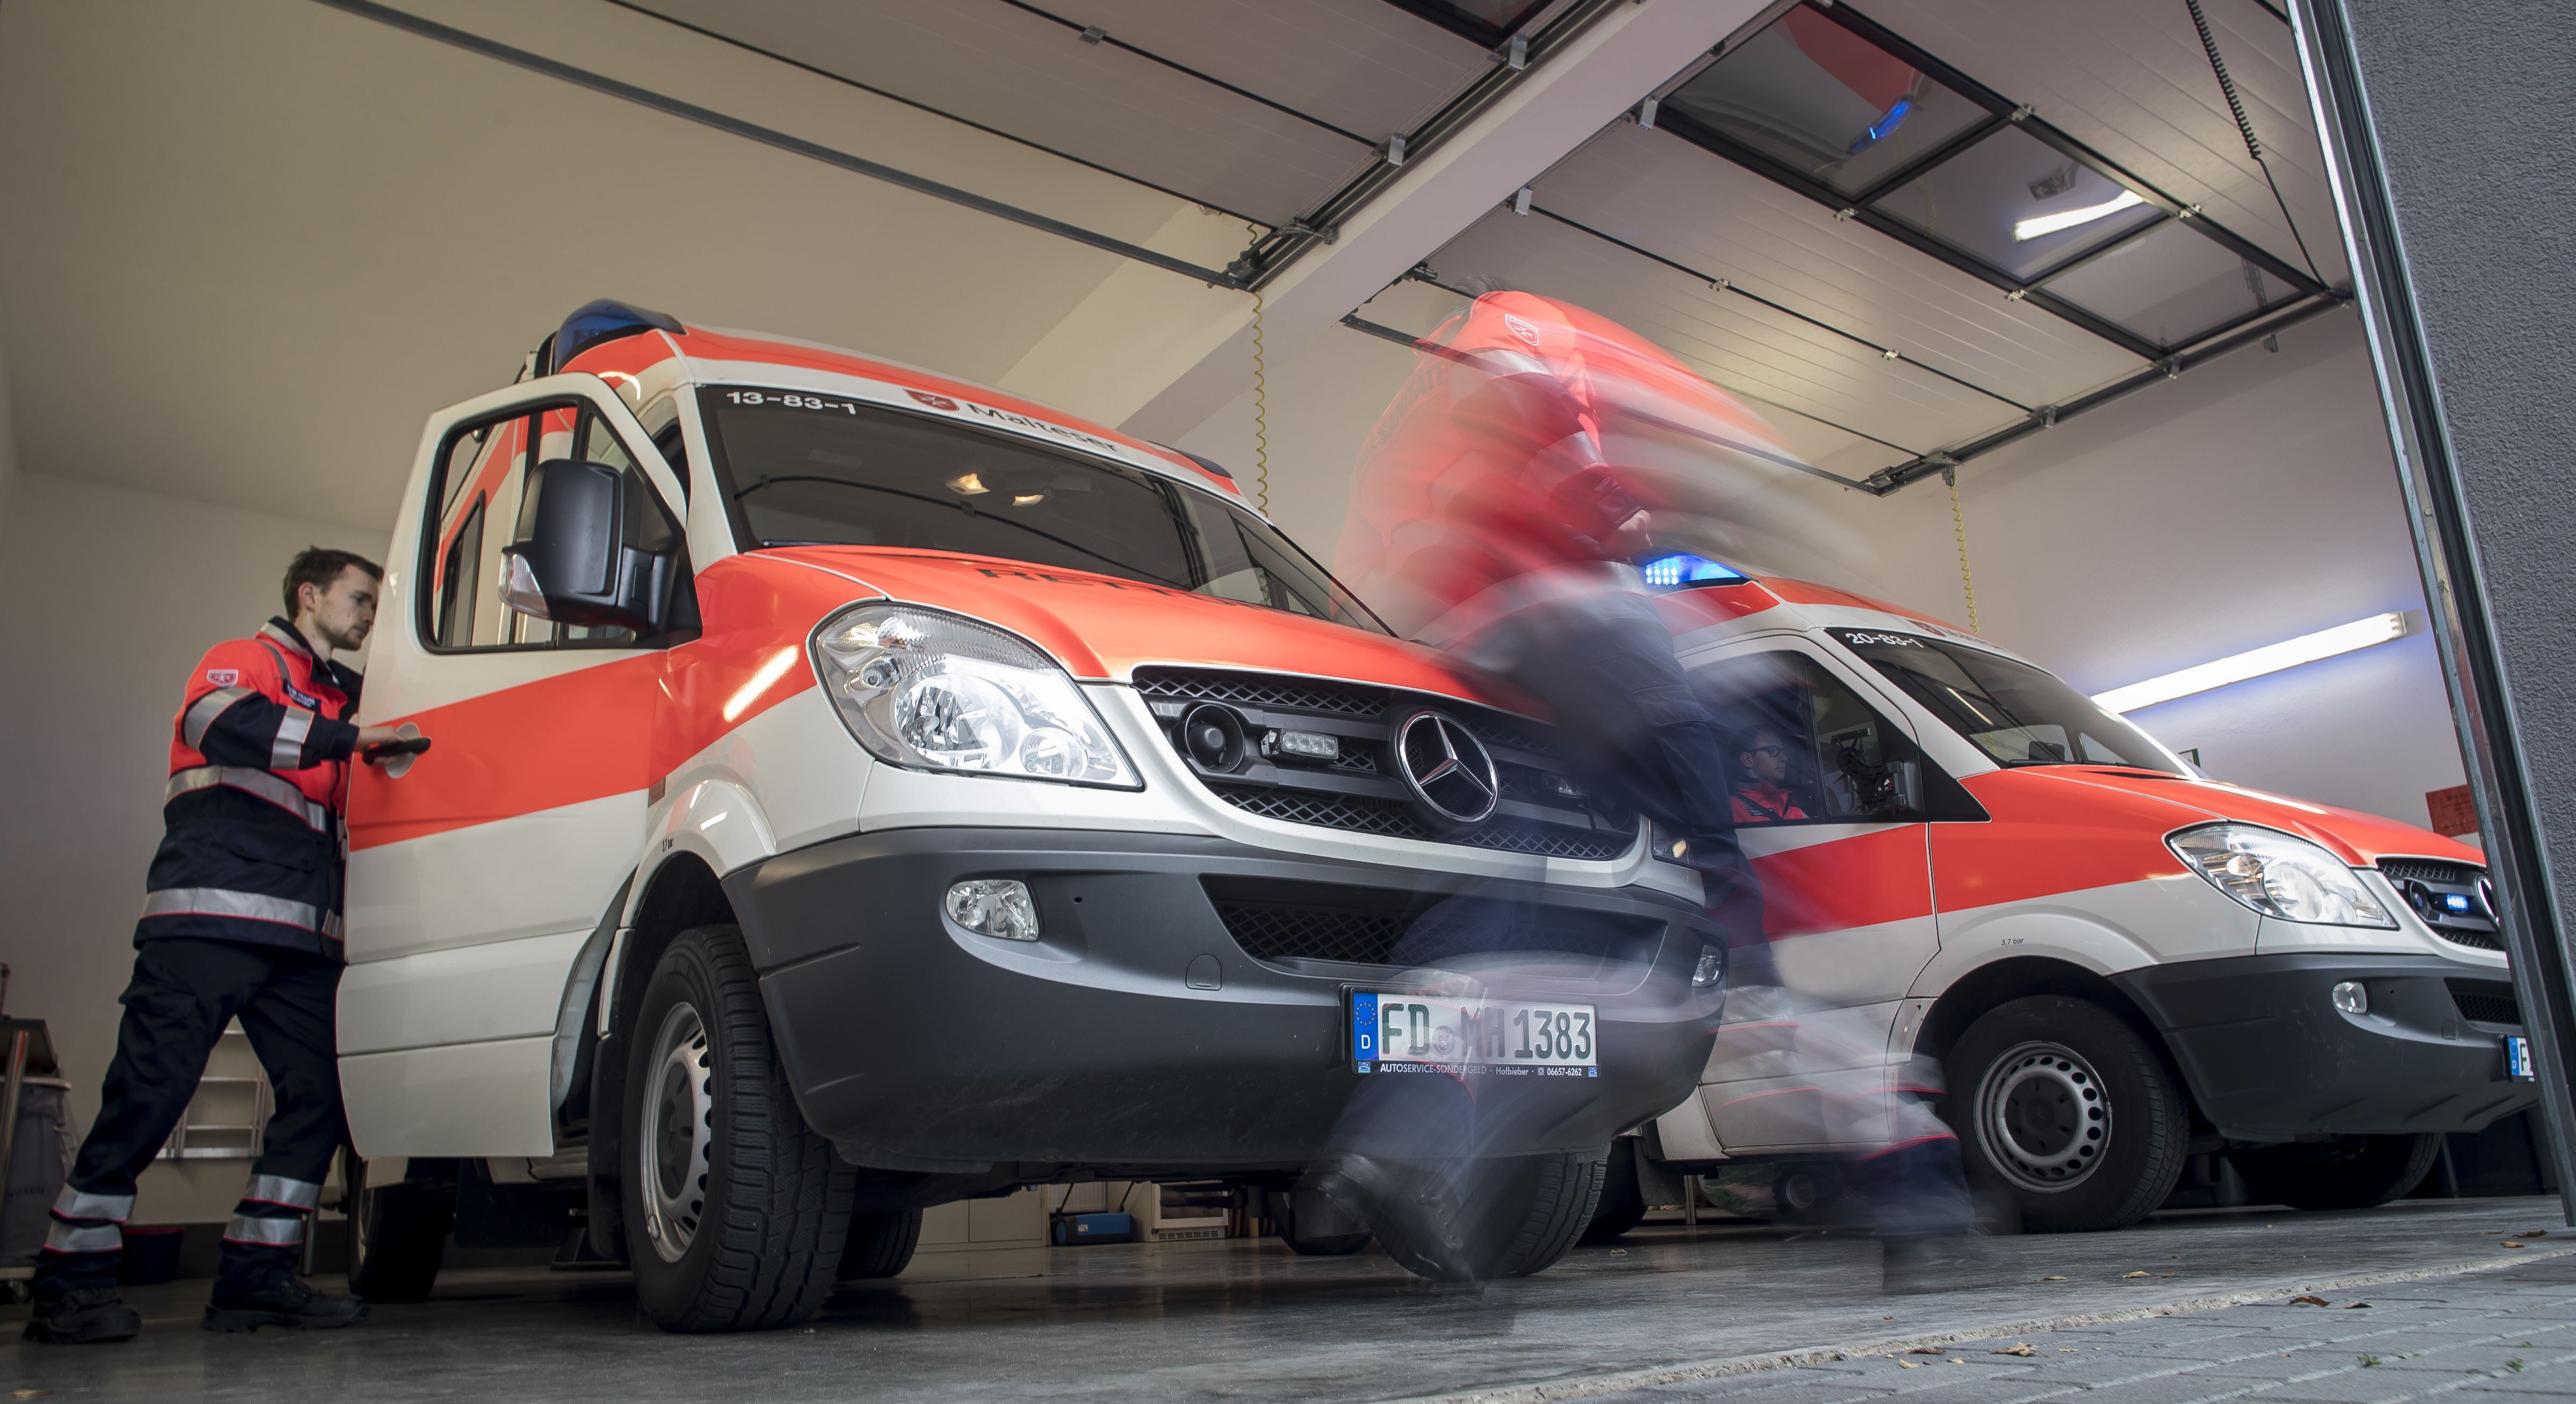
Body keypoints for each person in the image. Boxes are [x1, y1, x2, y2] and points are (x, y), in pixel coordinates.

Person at [26, 548, 426, 1344]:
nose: (369, 615)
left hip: (301, 943)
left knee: (321, 1101)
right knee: (149, 1093)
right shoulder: (248, 660)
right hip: (209, 922)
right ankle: (68, 1283)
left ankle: (256, 1278)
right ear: (308, 596)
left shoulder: (340, 696)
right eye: (359, 599)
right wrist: (347, 739)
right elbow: (219, 724)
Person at [1730, 726, 1809, 823]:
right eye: (1773, 750)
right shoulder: (1735, 806)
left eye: (1784, 752)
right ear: (1747, 760)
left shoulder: (1785, 797)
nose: (1784, 758)